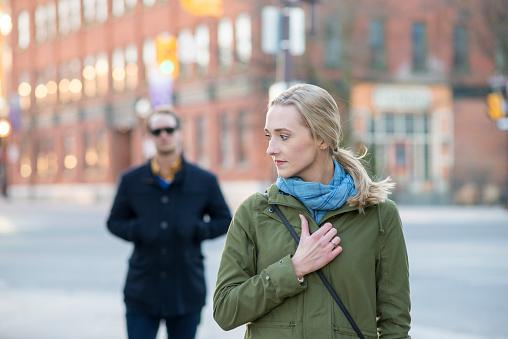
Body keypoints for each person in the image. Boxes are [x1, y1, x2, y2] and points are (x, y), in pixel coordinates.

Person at [213, 84, 411, 338]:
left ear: (322, 138)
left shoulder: (380, 215)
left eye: (283, 136)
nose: (271, 148)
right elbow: (225, 310)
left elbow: (395, 323)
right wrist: (293, 269)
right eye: (269, 136)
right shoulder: (255, 212)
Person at [107, 107, 232, 339]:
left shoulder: (204, 180)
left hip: (186, 290)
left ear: (179, 133)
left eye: (169, 129)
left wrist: (197, 230)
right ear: (150, 137)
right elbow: (114, 222)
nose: (163, 135)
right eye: (156, 131)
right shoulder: (131, 180)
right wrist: (140, 230)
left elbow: (224, 220)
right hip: (142, 289)